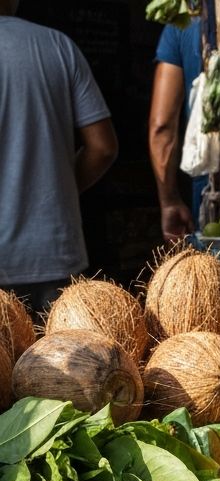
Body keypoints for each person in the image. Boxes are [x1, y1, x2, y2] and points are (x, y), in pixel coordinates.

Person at [0, 0, 118, 317]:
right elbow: (103, 147)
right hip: (54, 253)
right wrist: (57, 190)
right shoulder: (58, 45)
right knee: (64, 362)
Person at [149, 16, 207, 242]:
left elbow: (161, 126)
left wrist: (169, 201)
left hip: (211, 191)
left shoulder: (180, 25)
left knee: (213, 275)